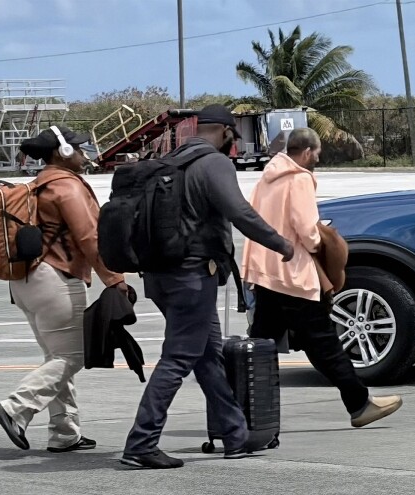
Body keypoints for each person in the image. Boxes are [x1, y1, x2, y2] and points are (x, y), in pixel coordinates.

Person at [122, 105, 295, 469]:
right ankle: (141, 441)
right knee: (179, 357)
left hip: (160, 276)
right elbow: (240, 213)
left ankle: (235, 435)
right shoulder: (214, 163)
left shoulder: (171, 160)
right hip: (191, 277)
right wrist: (282, 244)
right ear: (227, 132)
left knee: (208, 355)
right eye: (235, 136)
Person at [242, 128, 403, 429]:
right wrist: (320, 245)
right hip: (293, 273)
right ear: (306, 152)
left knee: (261, 345)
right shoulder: (300, 178)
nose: (318, 159)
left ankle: (237, 407)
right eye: (317, 154)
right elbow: (306, 229)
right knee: (323, 340)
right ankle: (359, 404)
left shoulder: (267, 178)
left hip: (266, 271)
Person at [0, 126, 128, 452]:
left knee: (57, 357)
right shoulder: (67, 187)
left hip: (26, 282)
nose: (86, 153)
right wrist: (114, 278)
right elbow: (89, 238)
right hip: (56, 279)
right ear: (64, 152)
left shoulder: (37, 185)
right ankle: (16, 407)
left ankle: (65, 433)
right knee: (72, 354)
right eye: (80, 148)